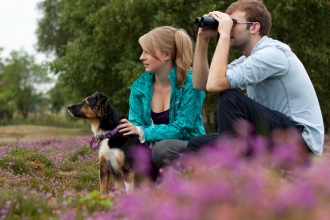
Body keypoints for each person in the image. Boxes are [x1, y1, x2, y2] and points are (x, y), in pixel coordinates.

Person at [187, 0, 324, 156]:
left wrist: (224, 36)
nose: (226, 28)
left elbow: (216, 84)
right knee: (197, 144)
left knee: (230, 98)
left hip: (300, 142)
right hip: (272, 133)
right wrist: (203, 38)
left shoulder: (273, 54)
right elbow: (202, 83)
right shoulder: (249, 59)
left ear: (254, 27)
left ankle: (233, 171)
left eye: (232, 23)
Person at [117, 26, 206, 169]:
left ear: (166, 54)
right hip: (155, 152)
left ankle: (194, 182)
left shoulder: (192, 84)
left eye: (148, 52)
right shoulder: (139, 88)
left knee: (163, 149)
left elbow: (183, 129)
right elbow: (135, 126)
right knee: (131, 150)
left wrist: (142, 132)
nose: (142, 57)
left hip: (187, 147)